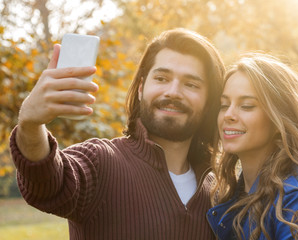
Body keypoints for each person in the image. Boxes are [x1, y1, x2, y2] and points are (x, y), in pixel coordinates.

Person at [9, 28, 225, 239]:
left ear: (209, 102)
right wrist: (30, 125)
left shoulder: (220, 192)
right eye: (161, 79)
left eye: (191, 84)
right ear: (141, 89)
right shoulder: (101, 161)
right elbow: (47, 181)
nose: (173, 92)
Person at [207, 53, 298, 240]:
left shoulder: (295, 198)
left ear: (278, 119)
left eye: (247, 106)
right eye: (224, 105)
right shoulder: (233, 195)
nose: (228, 115)